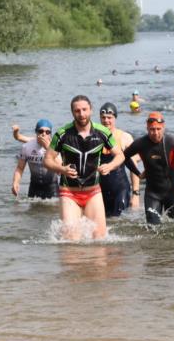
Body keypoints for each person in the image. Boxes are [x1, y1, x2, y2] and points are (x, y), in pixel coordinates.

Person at [43, 95, 125, 240]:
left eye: (84, 110)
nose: (81, 114)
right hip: (69, 193)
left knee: (100, 239)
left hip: (93, 192)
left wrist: (110, 166)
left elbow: (120, 156)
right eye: (77, 111)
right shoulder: (62, 134)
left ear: (91, 110)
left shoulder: (102, 132)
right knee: (71, 240)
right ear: (72, 112)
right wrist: (62, 169)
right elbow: (47, 160)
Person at [124, 111, 174, 224]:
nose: (155, 133)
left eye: (158, 129)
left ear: (163, 127)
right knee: (153, 228)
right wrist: (138, 173)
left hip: (172, 192)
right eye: (152, 129)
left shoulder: (172, 142)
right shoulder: (141, 143)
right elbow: (124, 156)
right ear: (147, 128)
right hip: (152, 194)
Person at [98, 103, 140, 217]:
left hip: (120, 188)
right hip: (100, 189)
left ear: (115, 118)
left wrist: (135, 194)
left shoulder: (124, 137)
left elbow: (134, 165)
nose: (106, 120)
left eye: (109, 118)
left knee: (119, 220)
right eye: (103, 118)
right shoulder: (95, 137)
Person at [11, 119, 59, 199]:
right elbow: (20, 168)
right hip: (34, 186)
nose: (44, 134)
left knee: (52, 210)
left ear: (50, 134)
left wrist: (48, 149)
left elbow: (61, 168)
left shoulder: (56, 146)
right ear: (36, 132)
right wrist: (16, 182)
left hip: (52, 187)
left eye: (47, 132)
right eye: (41, 131)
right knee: (32, 210)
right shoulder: (27, 147)